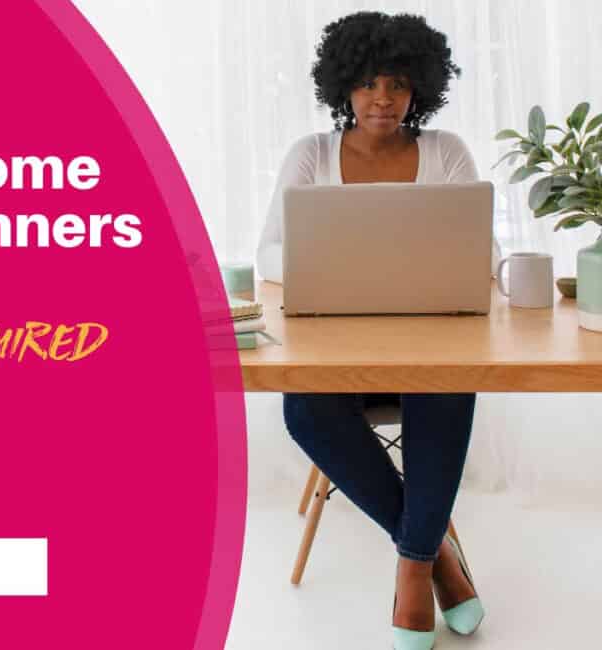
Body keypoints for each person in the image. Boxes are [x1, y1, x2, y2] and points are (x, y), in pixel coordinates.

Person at [255, 12, 496, 650]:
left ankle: (411, 571)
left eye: (395, 83)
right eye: (366, 84)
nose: (381, 99)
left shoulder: (446, 152)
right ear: (343, 88)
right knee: (305, 409)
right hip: (338, 348)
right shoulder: (310, 155)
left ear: (420, 87)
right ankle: (432, 551)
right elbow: (270, 256)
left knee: (446, 384)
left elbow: (482, 254)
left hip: (429, 344)